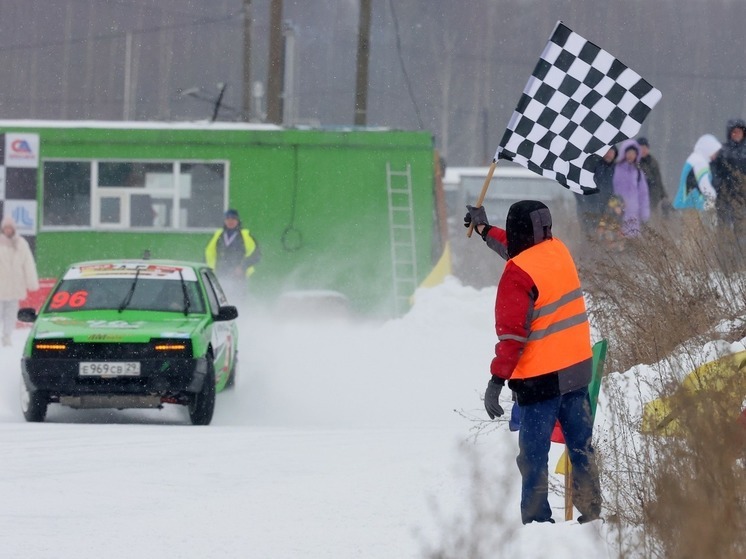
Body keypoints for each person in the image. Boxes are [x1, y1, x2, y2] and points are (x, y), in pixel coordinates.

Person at [464, 201, 602, 525]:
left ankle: (538, 523)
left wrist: (495, 381)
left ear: (517, 229)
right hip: (579, 370)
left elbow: (512, 339)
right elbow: (517, 248)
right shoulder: (558, 250)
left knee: (533, 457)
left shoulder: (517, 274)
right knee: (581, 448)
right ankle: (593, 513)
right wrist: (485, 231)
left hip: (542, 381)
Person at [205, 209, 261, 304]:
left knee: (237, 302)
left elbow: (256, 255)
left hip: (238, 278)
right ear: (224, 221)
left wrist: (242, 267)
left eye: (233, 219)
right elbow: (209, 254)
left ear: (237, 220)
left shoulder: (245, 236)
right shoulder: (219, 236)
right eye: (228, 219)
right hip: (220, 276)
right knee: (219, 302)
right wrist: (209, 271)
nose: (230, 221)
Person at [0, 215, 40, 346]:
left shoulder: (21, 243)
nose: (8, 230)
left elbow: (28, 263)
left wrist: (32, 283)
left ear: (13, 229)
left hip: (15, 285)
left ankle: (7, 336)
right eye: (5, 228)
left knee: (11, 314)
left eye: (9, 228)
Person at [711, 118, 746, 240]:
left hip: (741, 197)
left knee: (740, 230)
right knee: (723, 229)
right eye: (734, 132)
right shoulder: (723, 151)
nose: (736, 135)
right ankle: (723, 255)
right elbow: (715, 171)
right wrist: (718, 185)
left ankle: (739, 256)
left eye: (739, 132)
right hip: (724, 195)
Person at [575, 146, 617, 239]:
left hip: (608, 208)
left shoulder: (616, 169)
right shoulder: (593, 166)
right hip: (591, 207)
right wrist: (586, 202)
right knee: (590, 235)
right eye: (607, 151)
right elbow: (579, 188)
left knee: (607, 237)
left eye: (611, 152)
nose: (609, 154)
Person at [673, 134, 721, 212]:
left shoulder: (694, 159)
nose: (715, 155)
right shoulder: (700, 162)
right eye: (714, 152)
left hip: (683, 205)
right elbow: (705, 186)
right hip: (690, 207)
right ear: (708, 149)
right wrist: (713, 199)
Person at [613, 139, 650, 238]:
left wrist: (644, 213)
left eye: (633, 153)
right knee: (616, 242)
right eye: (628, 153)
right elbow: (610, 189)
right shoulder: (615, 169)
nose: (631, 155)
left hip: (634, 214)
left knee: (632, 243)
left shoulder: (638, 173)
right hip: (617, 212)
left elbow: (643, 194)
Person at [637, 137, 670, 219]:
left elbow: (659, 181)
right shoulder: (636, 163)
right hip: (642, 199)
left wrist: (664, 195)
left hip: (654, 197)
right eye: (641, 148)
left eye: (645, 148)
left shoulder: (653, 162)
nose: (643, 150)